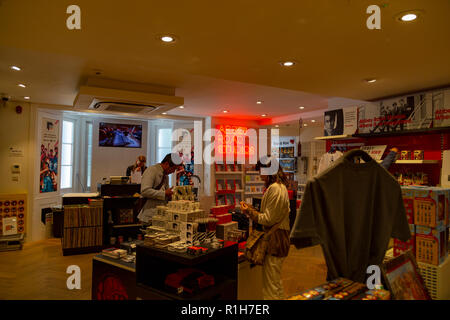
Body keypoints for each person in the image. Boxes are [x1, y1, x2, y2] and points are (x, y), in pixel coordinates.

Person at [240, 157, 291, 300]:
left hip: (275, 241)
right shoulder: (279, 187)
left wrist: (249, 212)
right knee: (275, 283)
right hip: (279, 239)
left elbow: (267, 219)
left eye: (261, 170)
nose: (260, 174)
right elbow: (272, 215)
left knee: (270, 288)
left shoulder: (275, 189)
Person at [137, 153, 182, 223]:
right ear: (167, 164)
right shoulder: (151, 170)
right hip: (149, 215)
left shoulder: (165, 175)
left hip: (159, 215)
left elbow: (165, 192)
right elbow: (145, 191)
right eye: (173, 168)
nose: (173, 172)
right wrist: (164, 193)